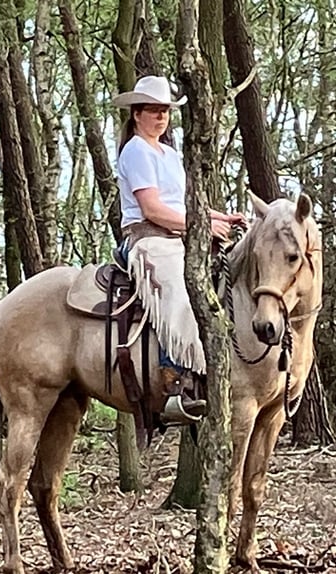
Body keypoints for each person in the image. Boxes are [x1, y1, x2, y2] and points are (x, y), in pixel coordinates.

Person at [112, 75, 247, 423]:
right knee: (180, 290)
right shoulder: (136, 150)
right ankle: (174, 383)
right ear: (137, 113)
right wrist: (202, 226)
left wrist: (222, 217)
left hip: (179, 237)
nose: (161, 117)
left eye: (166, 112)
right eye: (154, 110)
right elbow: (153, 210)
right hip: (148, 240)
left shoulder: (169, 154)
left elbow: (184, 203)